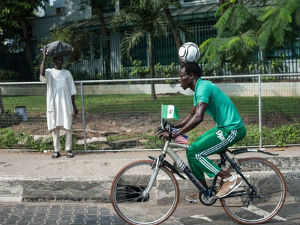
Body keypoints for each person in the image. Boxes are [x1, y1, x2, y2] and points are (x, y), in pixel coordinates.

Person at [158, 62, 246, 202]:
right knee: (191, 150)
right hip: (223, 128)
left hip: (232, 129)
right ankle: (205, 191)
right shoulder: (199, 88)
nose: (179, 79)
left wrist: (175, 134)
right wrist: (172, 126)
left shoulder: (203, 88)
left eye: (181, 76)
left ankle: (229, 178)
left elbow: (198, 118)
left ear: (191, 76)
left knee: (196, 153)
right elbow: (191, 116)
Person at [40, 48, 78, 158]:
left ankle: (68, 150)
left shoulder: (67, 73)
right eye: (57, 60)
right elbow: (42, 73)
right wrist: (44, 57)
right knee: (55, 129)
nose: (59, 61)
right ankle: (56, 151)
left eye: (61, 59)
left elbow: (72, 91)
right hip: (53, 105)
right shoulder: (49, 72)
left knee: (68, 128)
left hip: (66, 105)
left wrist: (74, 106)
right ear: (53, 61)